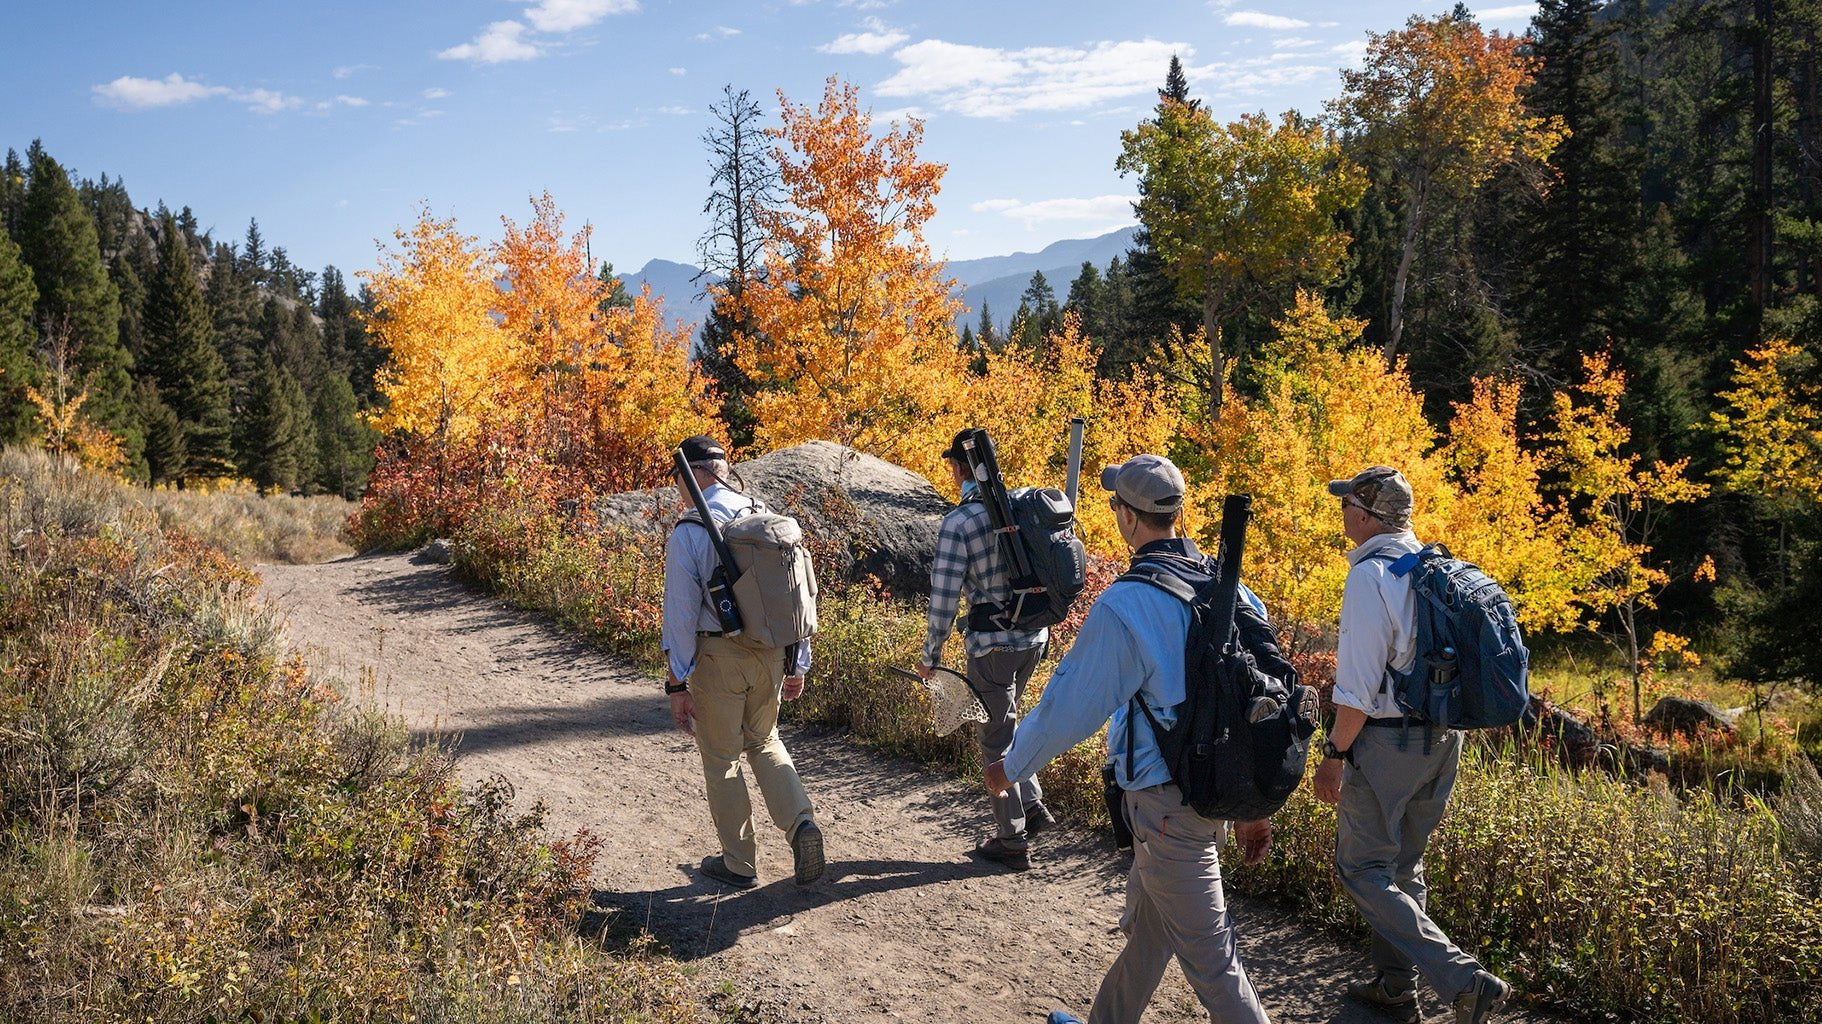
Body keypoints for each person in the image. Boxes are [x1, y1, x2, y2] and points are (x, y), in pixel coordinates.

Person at [987, 454, 1279, 1024]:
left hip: (1166, 810)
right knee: (1148, 935)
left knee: (1215, 966)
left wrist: (1011, 766)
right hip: (1201, 795)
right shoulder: (1233, 590)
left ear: (1126, 517)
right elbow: (1251, 704)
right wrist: (1251, 805)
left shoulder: (1129, 602)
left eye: (1115, 503)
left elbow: (1069, 706)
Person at [1311, 466, 1510, 1024]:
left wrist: (1334, 755)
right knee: (1403, 868)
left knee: (1362, 870)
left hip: (1384, 743)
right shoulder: (1432, 565)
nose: (1342, 512)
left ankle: (1465, 981)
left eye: (1347, 504)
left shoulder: (1370, 577)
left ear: (1368, 515)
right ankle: (1396, 987)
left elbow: (1356, 690)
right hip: (1444, 740)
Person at [662, 434, 824, 889]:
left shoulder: (691, 530)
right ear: (725, 469)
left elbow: (679, 614)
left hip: (720, 656)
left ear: (691, 473)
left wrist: (677, 685)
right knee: (765, 740)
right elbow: (799, 594)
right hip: (772, 652)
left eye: (677, 478)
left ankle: (739, 862)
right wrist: (798, 661)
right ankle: (801, 825)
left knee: (721, 757)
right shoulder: (764, 518)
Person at [919, 429, 1057, 871]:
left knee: (994, 737)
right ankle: (1031, 806)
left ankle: (1011, 839)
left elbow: (944, 598)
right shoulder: (1021, 507)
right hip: (1034, 639)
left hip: (991, 645)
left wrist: (931, 655)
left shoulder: (959, 523)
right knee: (1008, 724)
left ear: (959, 469)